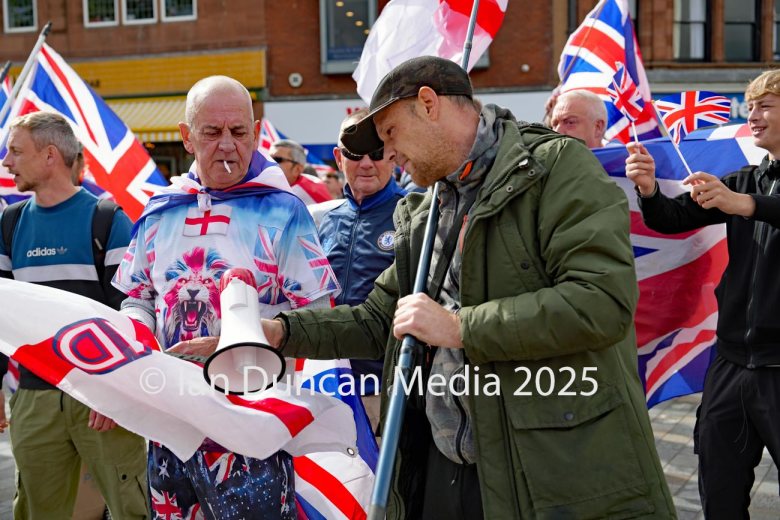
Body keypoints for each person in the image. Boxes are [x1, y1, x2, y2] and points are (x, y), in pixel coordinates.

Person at [260, 56, 675, 519]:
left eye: (391, 133)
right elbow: (379, 318)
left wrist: (460, 327)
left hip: (547, 466)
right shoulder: (426, 208)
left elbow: (601, 302)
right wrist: (278, 332)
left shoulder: (556, 166)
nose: (388, 153)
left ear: (428, 104)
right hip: (441, 460)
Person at [113, 75, 339, 519]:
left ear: (255, 133)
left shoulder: (284, 211)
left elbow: (317, 313)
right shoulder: (160, 211)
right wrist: (137, 348)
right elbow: (137, 297)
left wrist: (243, 346)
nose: (227, 145)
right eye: (212, 132)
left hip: (252, 425)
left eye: (238, 132)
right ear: (187, 136)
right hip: (170, 421)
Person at [625, 69, 780, 519]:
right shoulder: (744, 180)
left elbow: (758, 207)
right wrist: (649, 189)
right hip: (731, 364)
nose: (753, 115)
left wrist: (744, 205)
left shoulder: (742, 195)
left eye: (766, 106)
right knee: (719, 494)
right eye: (751, 106)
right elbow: (671, 218)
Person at [0, 111, 148, 520]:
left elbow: (131, 313)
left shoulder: (108, 219)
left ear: (50, 156)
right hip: (34, 396)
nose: (7, 162)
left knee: (131, 509)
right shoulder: (9, 224)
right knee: (36, 511)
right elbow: (1, 315)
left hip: (103, 396)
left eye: (15, 151)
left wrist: (116, 390)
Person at [316, 108, 407, 432]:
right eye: (355, 153)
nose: (366, 163)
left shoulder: (414, 214)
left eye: (376, 152)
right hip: (328, 389)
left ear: (393, 155)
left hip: (386, 391)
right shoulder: (325, 220)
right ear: (338, 157)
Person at [269, 139, 332, 205]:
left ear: (297, 169)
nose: (268, 163)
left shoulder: (314, 193)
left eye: (277, 160)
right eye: (267, 158)